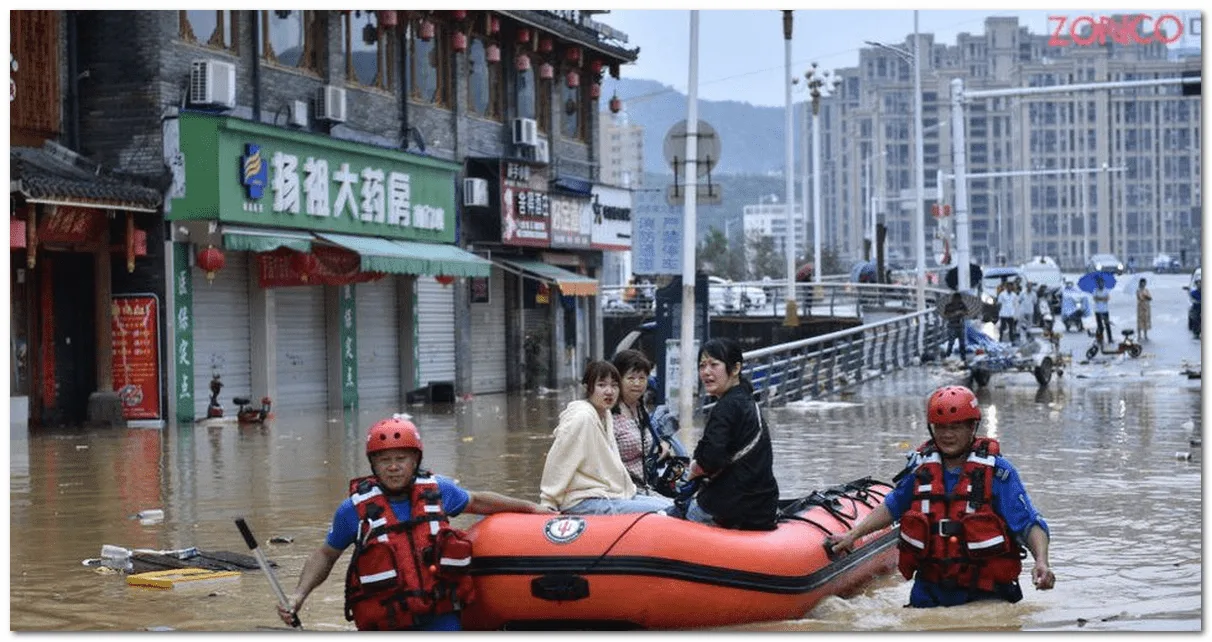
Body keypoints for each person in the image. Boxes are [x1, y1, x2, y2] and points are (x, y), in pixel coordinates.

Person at [277, 416, 554, 631]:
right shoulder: (353, 510)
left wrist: (530, 507)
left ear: (415, 461)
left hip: (440, 616)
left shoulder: (438, 490)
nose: (393, 467)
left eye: (401, 459)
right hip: (387, 622)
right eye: (385, 460)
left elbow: (479, 501)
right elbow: (326, 554)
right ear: (374, 465)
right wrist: (298, 596)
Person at [828, 386, 1054, 608]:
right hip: (929, 592)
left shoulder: (998, 472)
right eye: (941, 427)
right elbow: (892, 506)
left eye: (955, 427)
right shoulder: (921, 469)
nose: (947, 435)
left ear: (972, 427)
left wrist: (1042, 562)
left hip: (986, 593)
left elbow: (1028, 524)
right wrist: (852, 535)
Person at [539, 360, 673, 515]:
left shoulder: (605, 414)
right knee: (667, 511)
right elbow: (559, 460)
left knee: (673, 505)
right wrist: (548, 501)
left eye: (614, 386)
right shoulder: (581, 418)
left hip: (611, 494)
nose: (609, 391)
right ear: (587, 388)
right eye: (602, 385)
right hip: (583, 500)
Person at [678, 337, 780, 530]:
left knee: (669, 517)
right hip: (762, 507)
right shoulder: (747, 401)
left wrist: (691, 471)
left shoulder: (727, 407)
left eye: (714, 365)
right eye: (702, 365)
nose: (706, 372)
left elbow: (710, 459)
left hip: (728, 508)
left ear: (735, 369)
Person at [610, 349, 678, 495]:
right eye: (631, 378)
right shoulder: (609, 415)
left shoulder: (641, 408)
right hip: (624, 490)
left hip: (647, 484)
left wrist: (660, 444)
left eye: (642, 378)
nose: (637, 383)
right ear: (618, 379)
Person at [941, 291, 968, 360]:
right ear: (953, 299)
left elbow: (967, 312)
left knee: (962, 343)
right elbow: (945, 315)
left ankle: (963, 357)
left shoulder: (962, 305)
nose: (957, 301)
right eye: (956, 299)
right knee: (951, 342)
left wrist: (961, 312)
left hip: (960, 326)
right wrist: (954, 314)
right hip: (952, 326)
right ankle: (948, 355)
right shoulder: (948, 306)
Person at [1092, 275, 1112, 345]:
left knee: (1107, 325)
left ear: (1103, 283)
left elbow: (1107, 299)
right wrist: (1102, 299)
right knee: (1100, 326)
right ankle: (1100, 338)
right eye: (1099, 283)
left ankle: (1110, 339)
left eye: (1102, 282)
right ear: (1097, 283)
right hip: (1097, 311)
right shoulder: (1095, 290)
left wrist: (1100, 298)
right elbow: (1095, 299)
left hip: (1105, 311)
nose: (1101, 284)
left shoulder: (1106, 290)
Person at [1135, 277, 1152, 342]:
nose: (1143, 284)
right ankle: (1139, 335)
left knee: (1146, 321)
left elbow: (1150, 298)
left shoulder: (1146, 290)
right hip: (1140, 307)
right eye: (1142, 283)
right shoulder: (1138, 290)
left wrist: (1147, 297)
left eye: (1144, 283)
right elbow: (1139, 298)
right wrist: (1145, 297)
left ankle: (1145, 335)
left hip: (1146, 307)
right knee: (1140, 321)